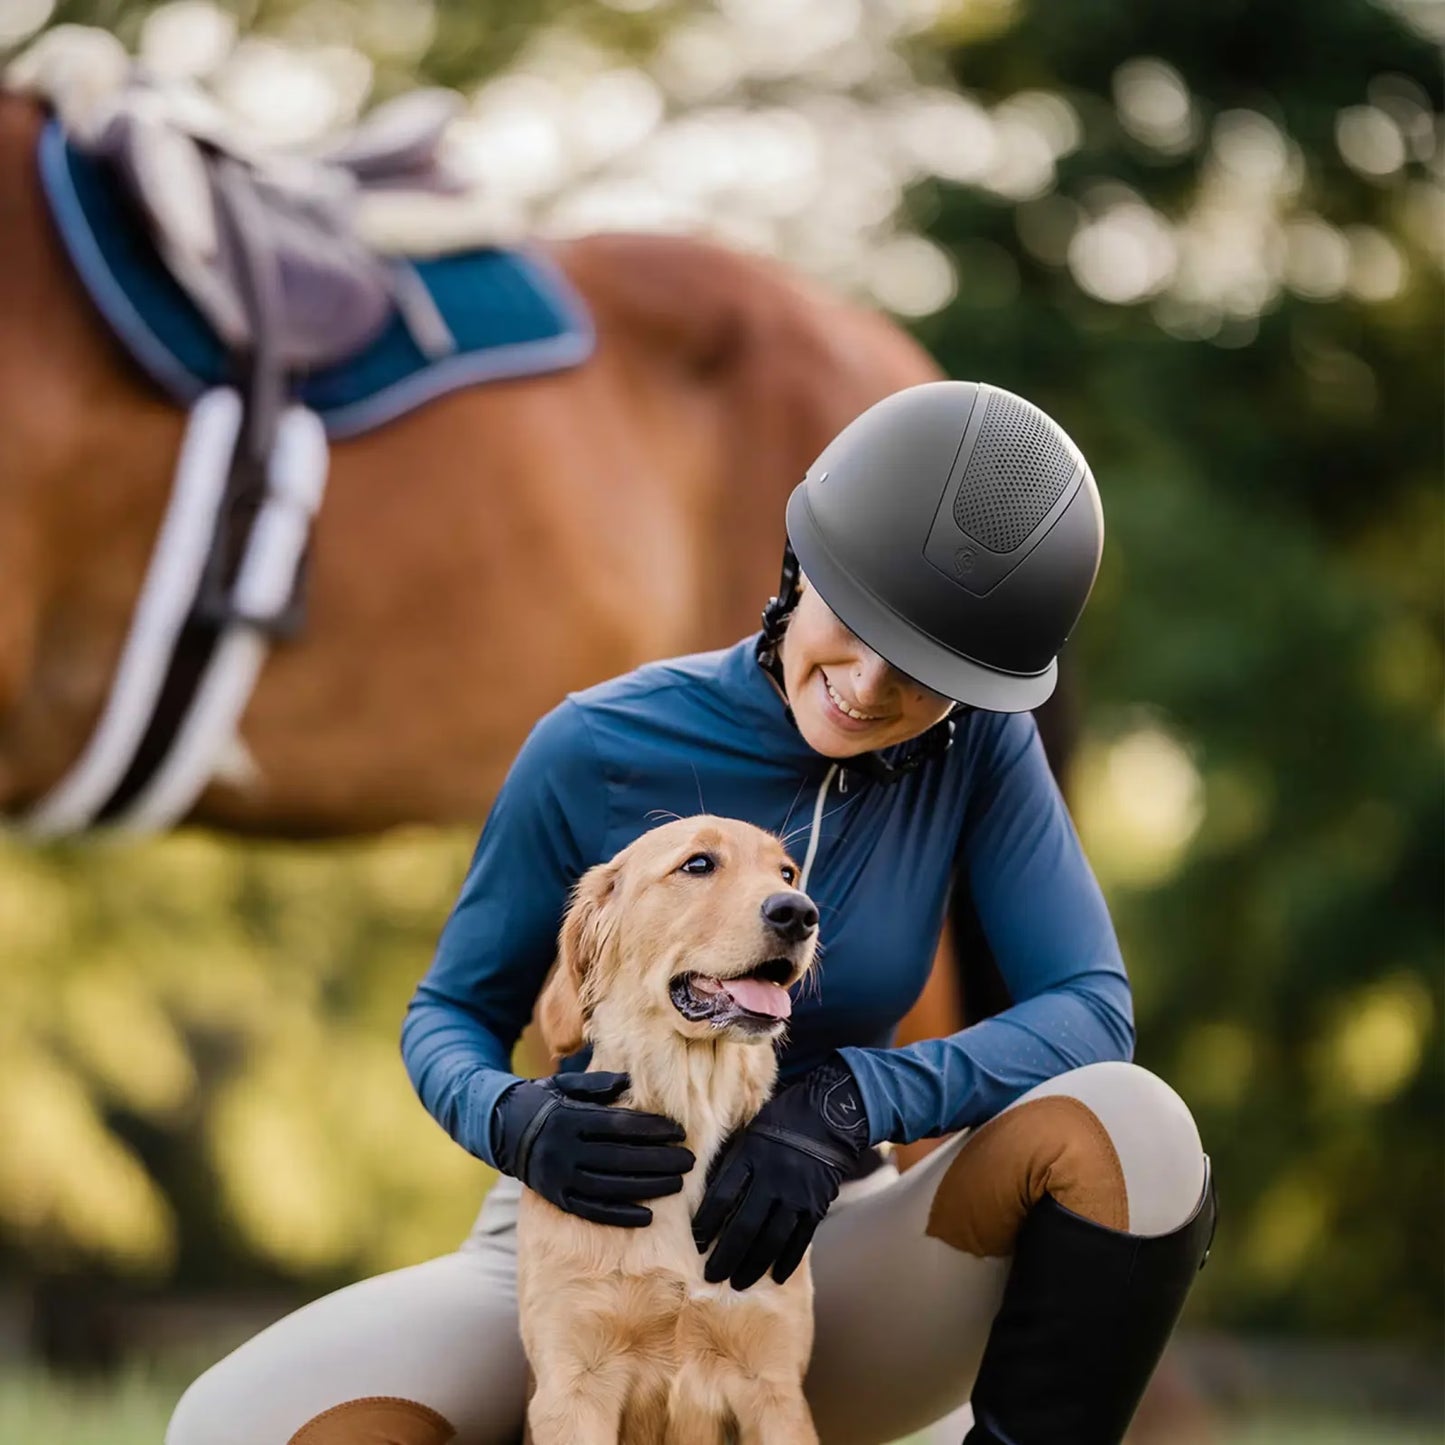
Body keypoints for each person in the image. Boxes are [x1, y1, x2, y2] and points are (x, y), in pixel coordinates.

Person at [167, 381, 1215, 1445]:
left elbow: (1089, 1011)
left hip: (819, 1246)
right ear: (800, 568)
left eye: (923, 674)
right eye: (851, 628)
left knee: (1140, 1130)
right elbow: (449, 1009)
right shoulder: (595, 740)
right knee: (230, 1426)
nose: (863, 686)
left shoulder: (981, 750)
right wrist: (513, 1119)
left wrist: (848, 1104)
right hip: (584, 1229)